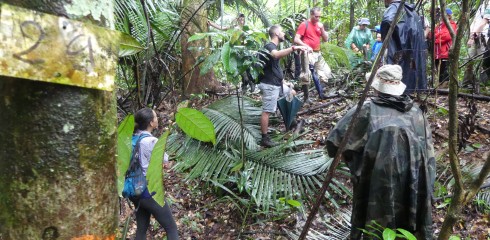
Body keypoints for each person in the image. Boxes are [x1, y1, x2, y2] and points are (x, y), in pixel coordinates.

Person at [326, 65, 435, 239]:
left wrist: (356, 159)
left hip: (374, 187)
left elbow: (334, 144)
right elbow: (429, 158)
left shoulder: (366, 110)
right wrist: (428, 189)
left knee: (374, 225)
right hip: (412, 186)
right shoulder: (417, 114)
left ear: (377, 87)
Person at [131, 108, 179, 240]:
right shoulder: (151, 141)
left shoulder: (132, 138)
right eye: (156, 117)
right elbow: (167, 162)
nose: (157, 119)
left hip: (134, 190)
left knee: (141, 229)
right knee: (171, 228)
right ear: (151, 123)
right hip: (148, 191)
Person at [258, 25, 307, 147]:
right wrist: (294, 48)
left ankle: (291, 122)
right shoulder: (269, 46)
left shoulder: (274, 47)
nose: (284, 33)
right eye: (282, 32)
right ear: (276, 34)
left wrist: (283, 81)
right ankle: (264, 138)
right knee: (267, 111)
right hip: (269, 85)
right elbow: (276, 55)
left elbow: (273, 68)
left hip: (277, 83)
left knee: (291, 93)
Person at [381, 0, 428, 94]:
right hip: (412, 55)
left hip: (398, 52)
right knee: (409, 76)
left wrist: (385, 42)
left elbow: (387, 22)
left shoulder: (394, 9)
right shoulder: (412, 11)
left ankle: (393, 93)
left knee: (396, 75)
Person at [207, 13, 256, 93]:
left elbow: (248, 41)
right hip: (235, 51)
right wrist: (211, 23)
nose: (242, 21)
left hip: (244, 51)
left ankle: (251, 83)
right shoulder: (233, 28)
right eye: (240, 19)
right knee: (240, 70)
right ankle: (245, 85)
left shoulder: (246, 29)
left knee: (247, 69)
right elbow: (222, 28)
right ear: (237, 20)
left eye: (243, 20)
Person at [294, 7, 332, 102]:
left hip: (317, 53)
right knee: (306, 75)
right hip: (307, 53)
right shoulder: (304, 24)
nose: (318, 19)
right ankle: (306, 97)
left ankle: (320, 92)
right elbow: (296, 39)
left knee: (326, 72)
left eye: (319, 17)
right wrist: (306, 46)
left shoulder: (319, 25)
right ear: (311, 15)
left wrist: (322, 28)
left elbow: (326, 39)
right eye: (316, 16)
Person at [430, 8, 457, 86]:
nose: (442, 16)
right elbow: (432, 35)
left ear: (449, 16)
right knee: (438, 70)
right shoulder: (439, 25)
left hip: (445, 52)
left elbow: (447, 36)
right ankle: (439, 86)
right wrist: (437, 36)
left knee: (444, 70)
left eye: (444, 15)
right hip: (437, 52)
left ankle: (444, 87)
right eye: (441, 15)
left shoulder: (452, 24)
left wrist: (436, 38)